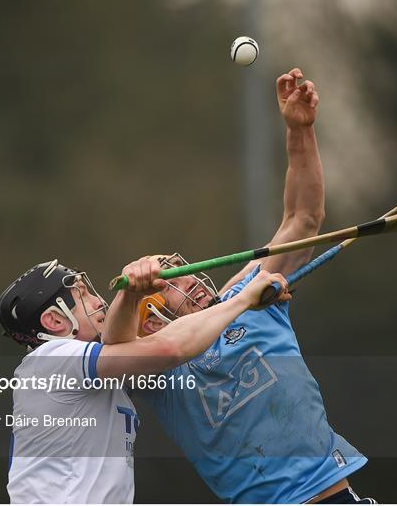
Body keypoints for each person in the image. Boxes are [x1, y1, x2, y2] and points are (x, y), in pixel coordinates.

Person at [126, 68, 376, 503]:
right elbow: (114, 339)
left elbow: (303, 219)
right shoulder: (159, 367)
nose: (189, 281)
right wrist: (130, 291)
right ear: (150, 318)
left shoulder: (246, 297)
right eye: (169, 284)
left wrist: (300, 131)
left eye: (183, 270)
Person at [0, 257, 289, 503]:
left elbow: (146, 338)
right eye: (83, 294)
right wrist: (243, 299)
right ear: (55, 321)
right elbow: (170, 348)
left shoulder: (83, 372)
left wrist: (134, 295)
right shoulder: (55, 358)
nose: (99, 301)